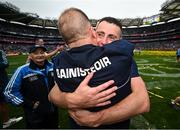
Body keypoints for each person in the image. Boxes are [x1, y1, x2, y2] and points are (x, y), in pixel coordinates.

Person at [49, 7, 144, 129]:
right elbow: (52, 95)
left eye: (112, 37)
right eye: (100, 34)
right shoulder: (74, 58)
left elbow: (142, 102)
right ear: (93, 32)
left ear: (119, 41)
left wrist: (96, 118)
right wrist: (74, 99)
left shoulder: (123, 60)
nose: (103, 41)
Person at [3, 45, 59, 129]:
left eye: (42, 52)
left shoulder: (53, 67)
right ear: (30, 56)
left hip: (53, 111)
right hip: (34, 114)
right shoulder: (22, 70)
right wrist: (29, 104)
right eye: (36, 53)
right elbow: (9, 92)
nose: (40, 55)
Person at [0, 49, 23, 128]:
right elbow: (5, 63)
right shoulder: (0, 51)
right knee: (3, 102)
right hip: (1, 80)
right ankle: (6, 121)